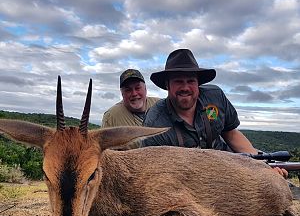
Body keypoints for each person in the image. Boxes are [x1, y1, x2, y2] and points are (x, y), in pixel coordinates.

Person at [142, 49, 287, 177]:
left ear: (198, 83)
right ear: (167, 85)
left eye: (191, 81)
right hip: (184, 179)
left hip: (229, 164)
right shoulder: (154, 125)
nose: (185, 87)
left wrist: (261, 166)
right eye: (178, 81)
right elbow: (156, 174)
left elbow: (231, 133)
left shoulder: (215, 96)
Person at [101, 68, 159, 148]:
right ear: (122, 94)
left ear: (145, 89)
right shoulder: (111, 116)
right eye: (128, 90)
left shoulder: (160, 105)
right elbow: (105, 152)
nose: (134, 93)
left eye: (138, 88)